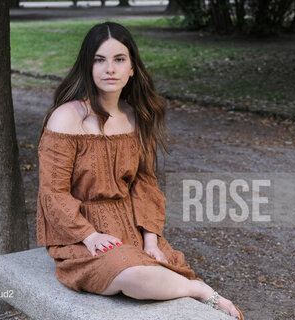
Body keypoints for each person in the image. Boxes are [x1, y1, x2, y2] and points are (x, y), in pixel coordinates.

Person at [36, 21, 244, 320]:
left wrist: (150, 241)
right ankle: (200, 291)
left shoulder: (135, 117)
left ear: (132, 68)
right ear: (87, 66)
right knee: (137, 278)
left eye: (119, 59)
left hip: (130, 228)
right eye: (99, 59)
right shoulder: (67, 117)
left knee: (154, 264)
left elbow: (144, 185)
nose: (110, 69)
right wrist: (90, 235)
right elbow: (52, 192)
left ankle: (182, 283)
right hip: (80, 238)